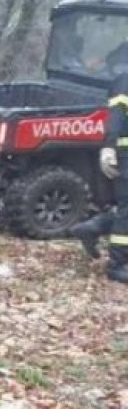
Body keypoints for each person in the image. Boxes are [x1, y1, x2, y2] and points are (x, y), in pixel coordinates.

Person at [68, 44, 128, 283]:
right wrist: (109, 147)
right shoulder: (126, 80)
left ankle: (94, 228)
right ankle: (117, 265)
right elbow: (115, 117)